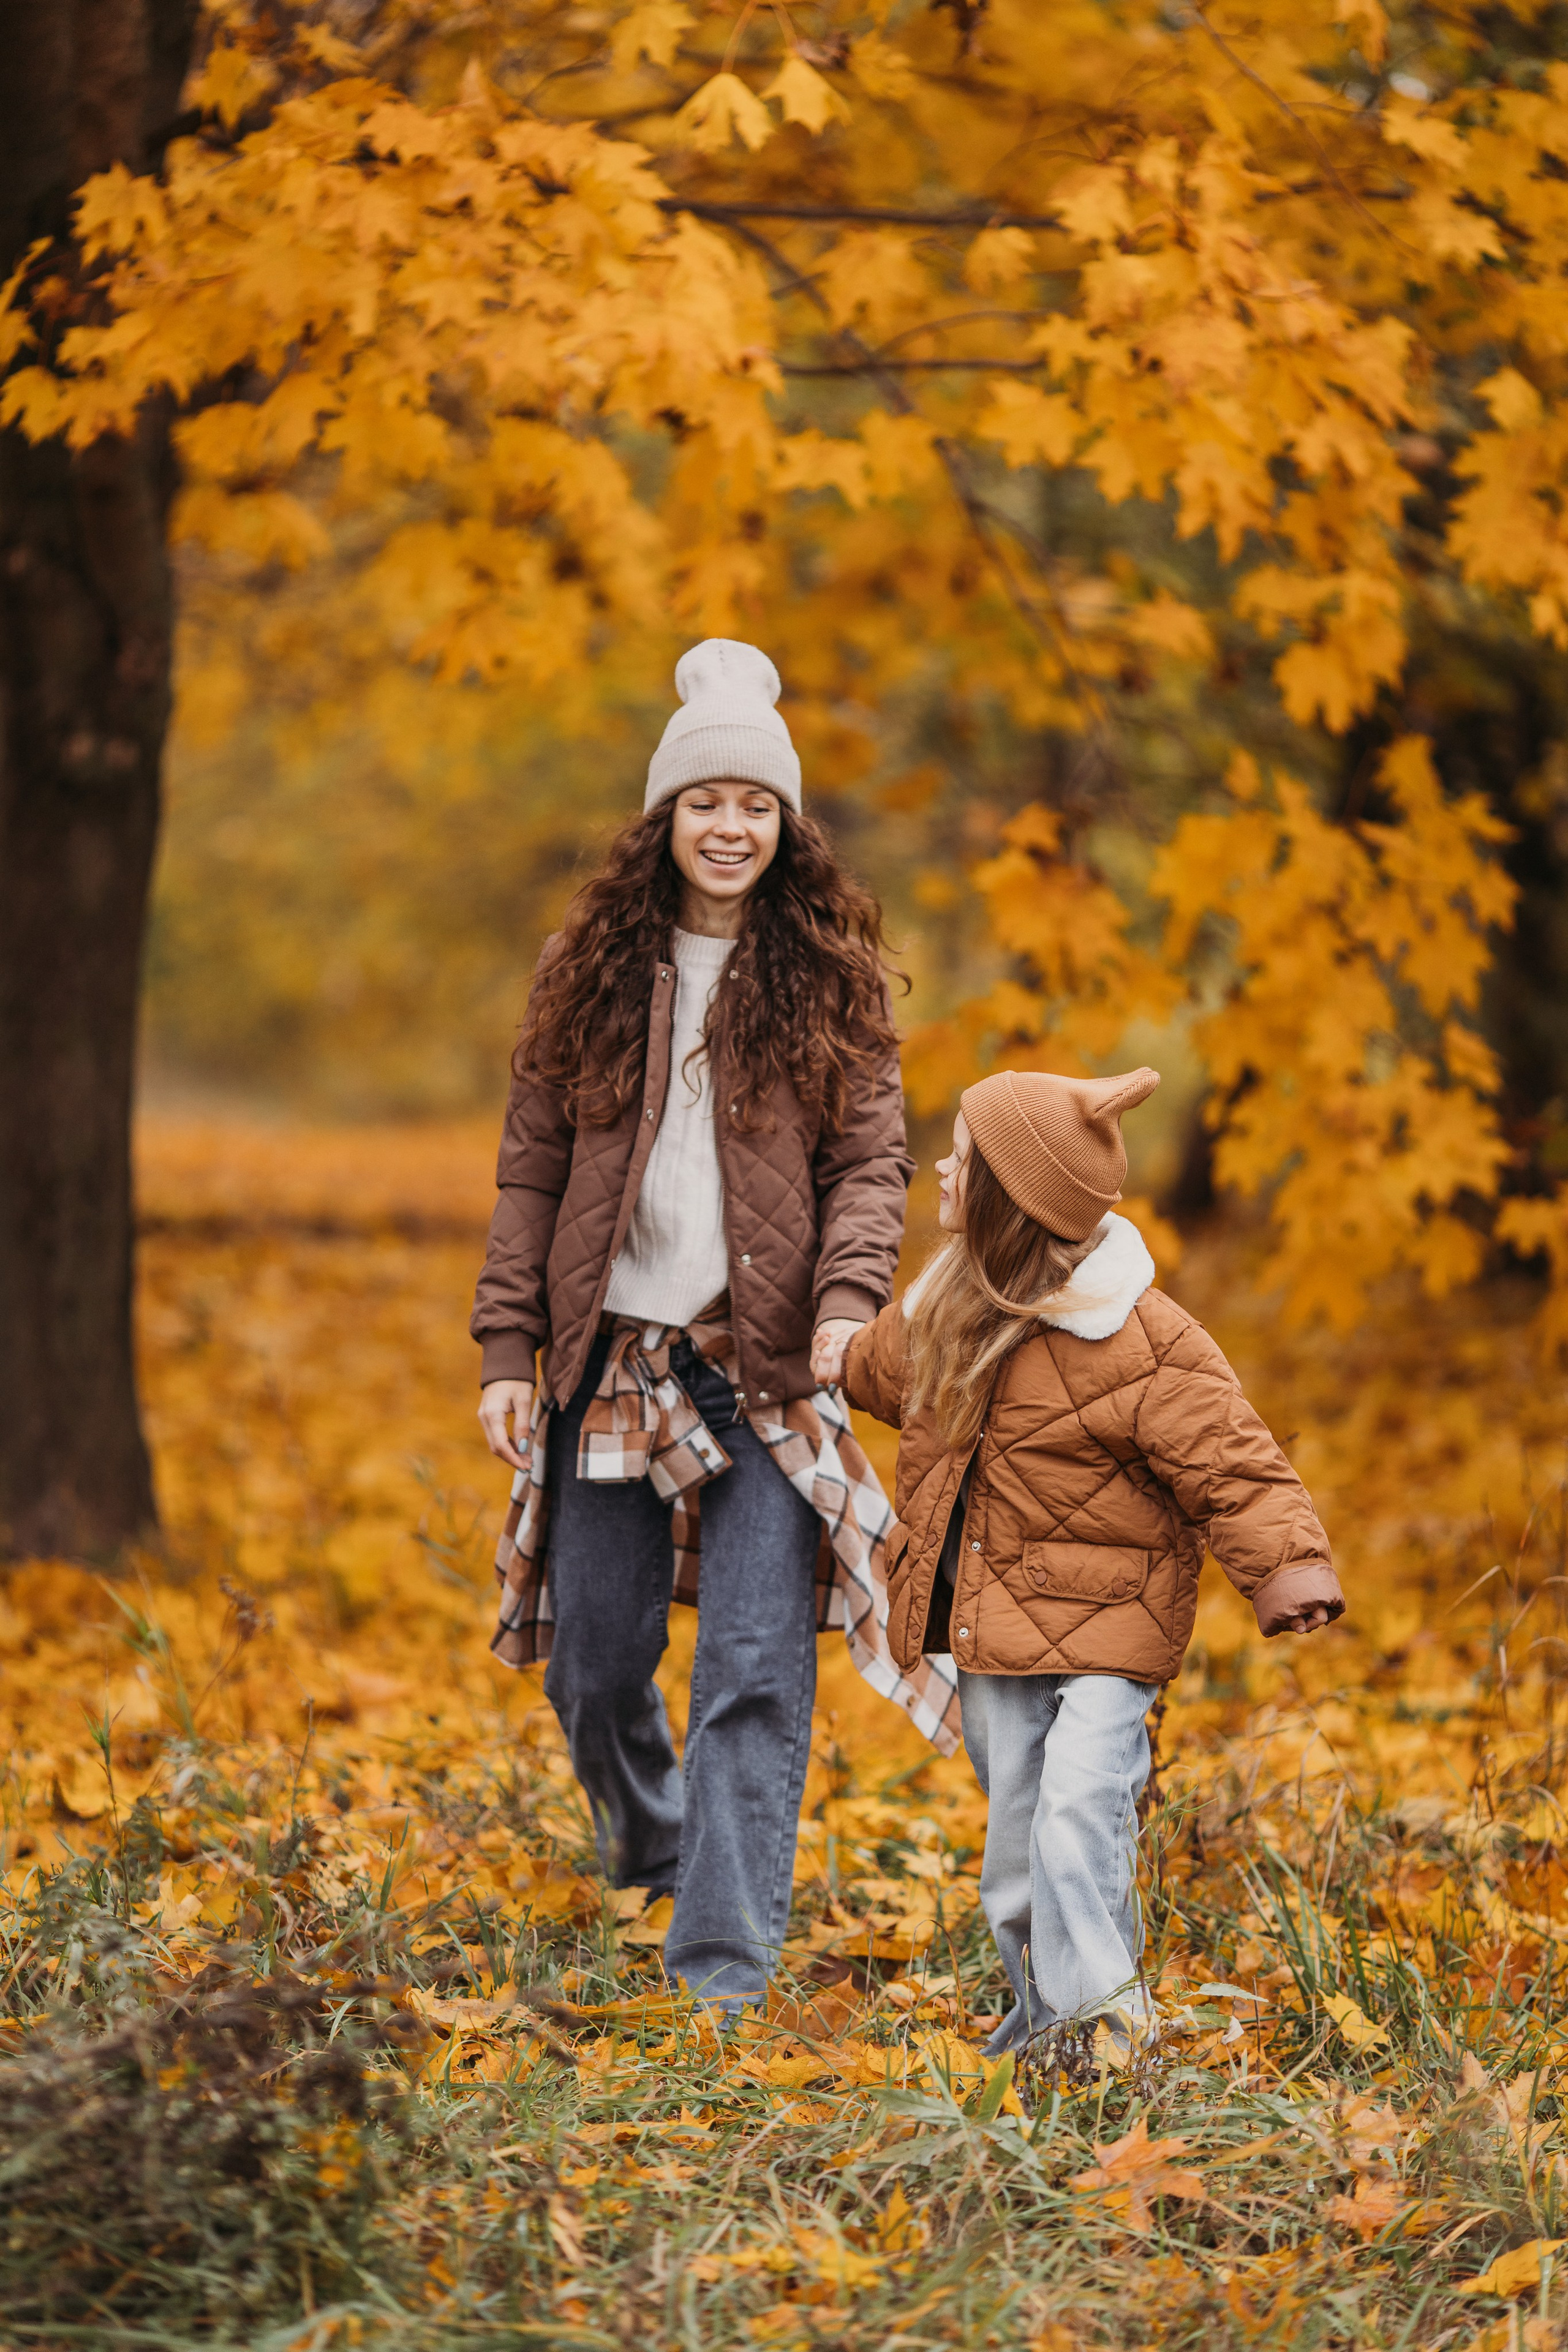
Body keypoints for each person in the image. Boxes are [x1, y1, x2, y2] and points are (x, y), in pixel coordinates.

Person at [471, 638, 954, 2014]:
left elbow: (870, 1168)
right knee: (593, 1661)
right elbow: (531, 1173)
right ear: (664, 818)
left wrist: (849, 1304)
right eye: (704, 802)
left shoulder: (832, 979)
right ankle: (654, 1843)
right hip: (612, 1363)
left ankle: (720, 1969)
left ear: (785, 825)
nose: (730, 826)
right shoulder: (589, 974)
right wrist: (510, 1353)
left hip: (766, 1372)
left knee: (751, 1666)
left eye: (755, 805)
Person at [825, 1064, 1344, 2052]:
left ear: (1009, 1200)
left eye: (962, 1157)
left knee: (1076, 1818)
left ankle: (1113, 2038)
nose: (942, 1165)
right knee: (1018, 1856)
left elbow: (1233, 1460)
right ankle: (1044, 2024)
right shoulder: (945, 1307)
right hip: (995, 1620)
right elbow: (890, 1371)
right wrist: (841, 1360)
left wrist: (1289, 1570)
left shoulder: (1140, 1334)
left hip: (1115, 1629)